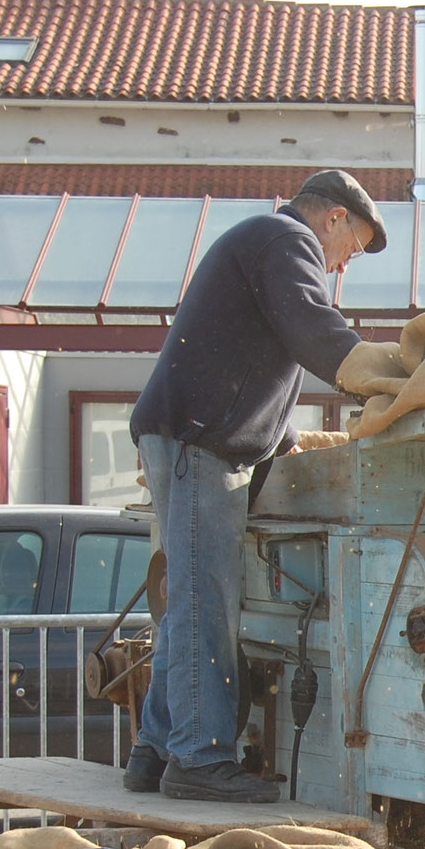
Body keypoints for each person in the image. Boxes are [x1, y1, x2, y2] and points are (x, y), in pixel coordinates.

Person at [122, 170, 385, 803]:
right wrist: (387, 378)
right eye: (355, 245)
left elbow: (246, 365)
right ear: (335, 218)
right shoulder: (284, 241)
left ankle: (156, 750)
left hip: (192, 437)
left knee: (192, 600)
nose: (346, 264)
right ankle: (199, 759)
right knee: (204, 604)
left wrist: (284, 442)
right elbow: (311, 328)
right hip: (199, 443)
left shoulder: (260, 244)